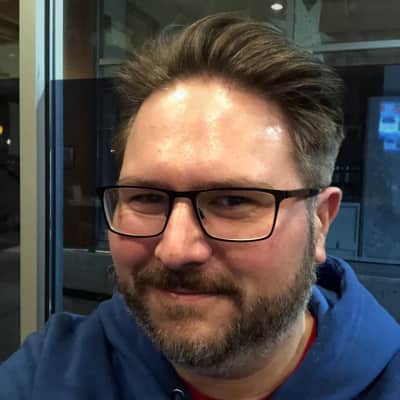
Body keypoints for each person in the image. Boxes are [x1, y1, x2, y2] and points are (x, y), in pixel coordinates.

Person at [1, 13, 399, 400]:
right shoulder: (49, 372)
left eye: (232, 201)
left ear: (320, 221)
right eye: (147, 198)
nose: (175, 250)